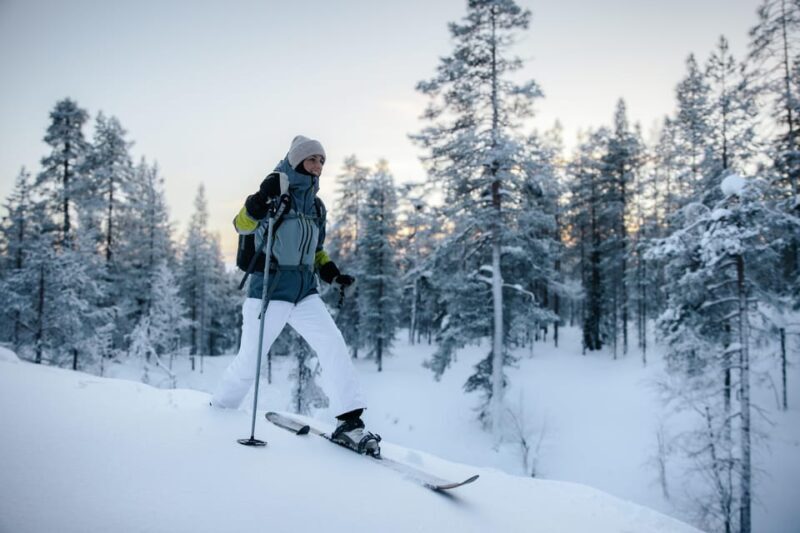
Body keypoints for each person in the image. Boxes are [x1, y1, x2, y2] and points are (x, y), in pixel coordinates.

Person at [211, 135, 380, 455]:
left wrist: (331, 273)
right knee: (250, 362)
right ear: (296, 159)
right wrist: (261, 198)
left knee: (333, 345)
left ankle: (350, 422)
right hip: (269, 291)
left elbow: (315, 251)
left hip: (304, 291)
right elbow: (242, 224)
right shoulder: (276, 192)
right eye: (312, 158)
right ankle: (220, 408)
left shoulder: (317, 206)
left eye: (322, 161)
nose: (317, 165)